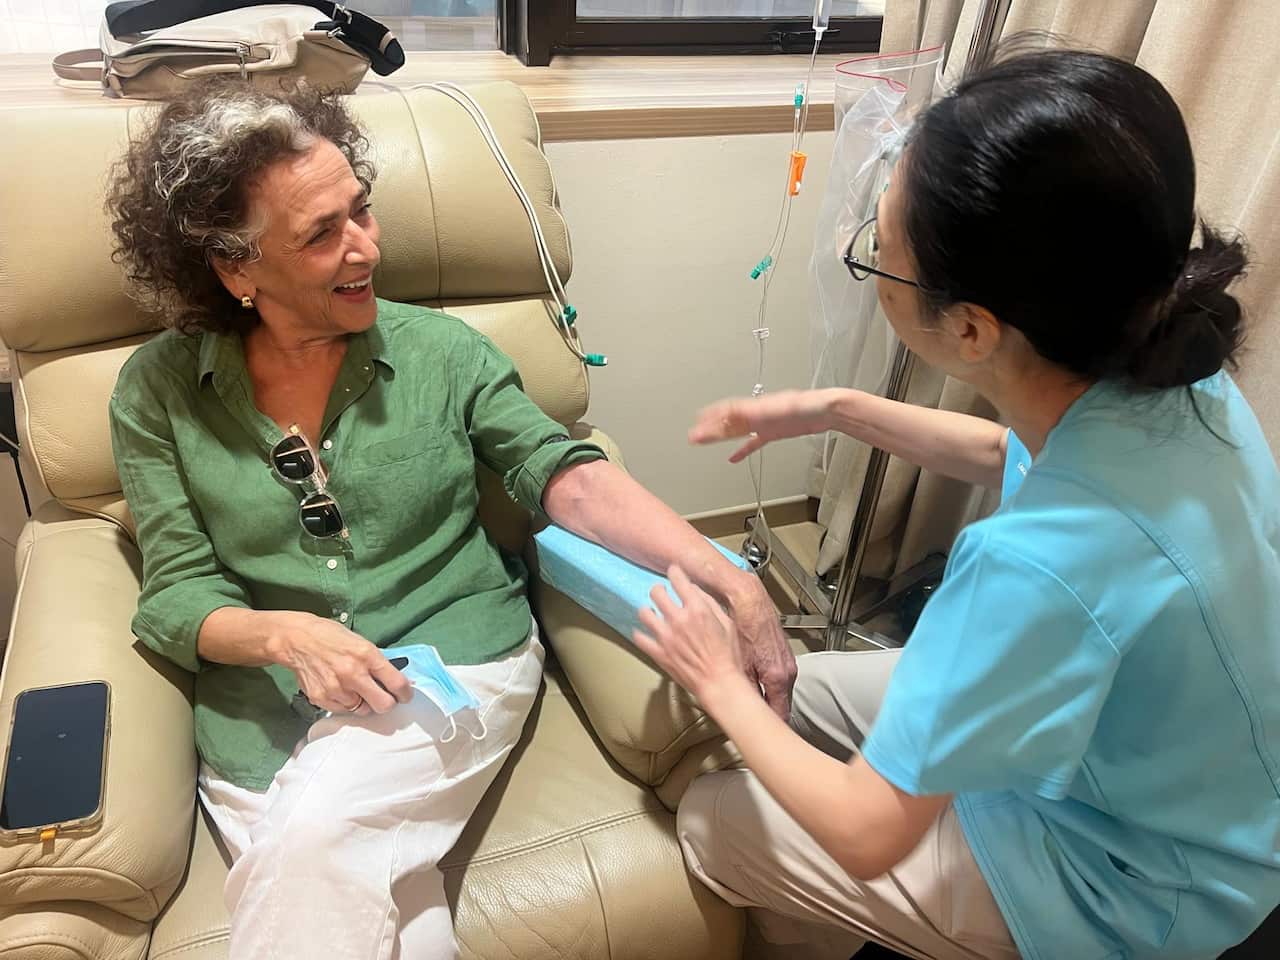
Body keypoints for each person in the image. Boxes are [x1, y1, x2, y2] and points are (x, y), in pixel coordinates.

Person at [105, 81, 793, 960]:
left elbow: (566, 477)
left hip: (447, 665)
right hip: (259, 721)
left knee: (315, 840)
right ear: (236, 269)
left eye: (362, 211)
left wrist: (721, 572)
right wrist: (285, 638)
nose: (367, 248)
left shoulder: (444, 354)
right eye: (323, 234)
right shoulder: (156, 392)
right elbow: (177, 591)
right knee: (395, 925)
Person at [636, 46, 1280, 960]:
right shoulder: (1178, 382)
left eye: (879, 255)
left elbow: (868, 834)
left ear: (972, 327)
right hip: (1170, 776)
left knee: (713, 813)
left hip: (1143, 886)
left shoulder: (1034, 564)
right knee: (787, 686)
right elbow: (1007, 451)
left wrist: (707, 675)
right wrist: (836, 408)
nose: (871, 256)